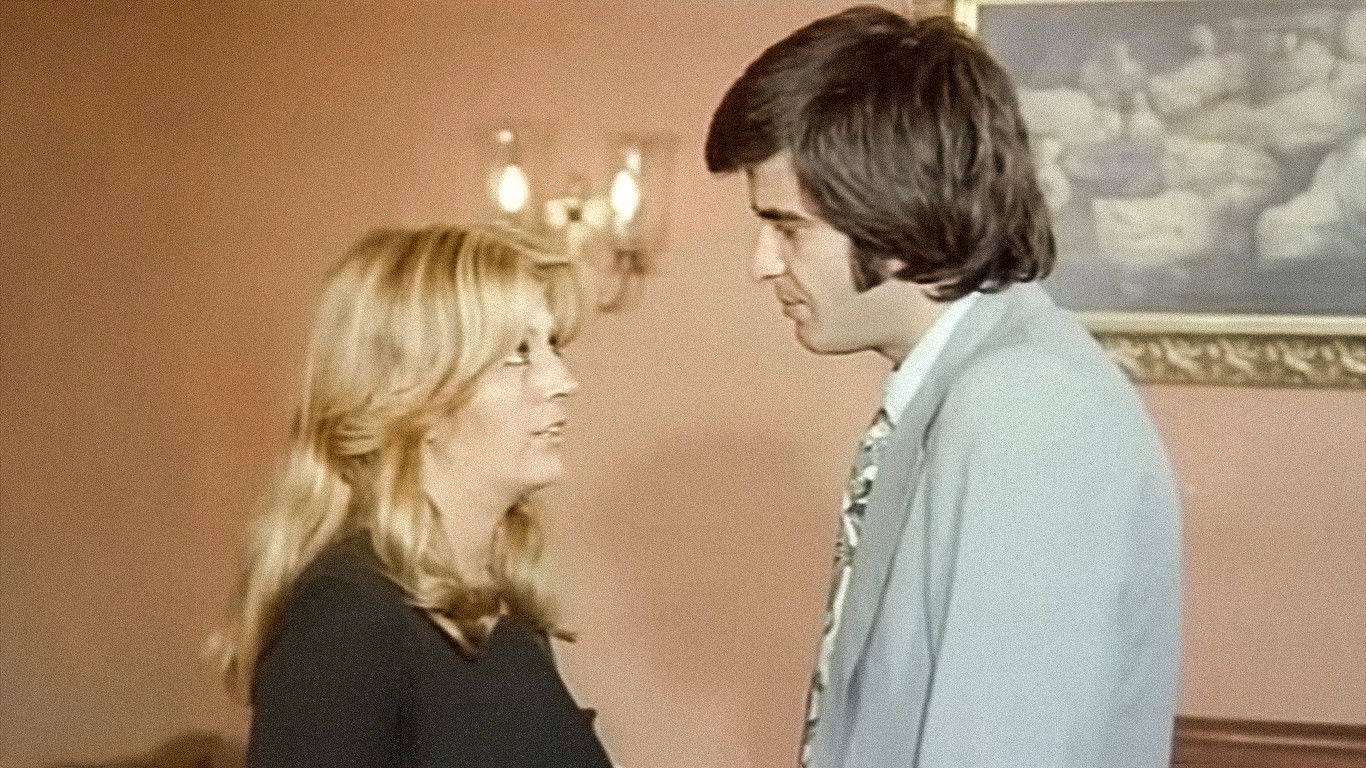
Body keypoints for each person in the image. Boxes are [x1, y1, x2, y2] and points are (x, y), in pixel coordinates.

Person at [705, 8, 1181, 767]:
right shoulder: (970, 388)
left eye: (788, 228)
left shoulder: (1026, 408)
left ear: (892, 216)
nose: (761, 264)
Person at [210, 223, 614, 768]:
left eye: (553, 345)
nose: (562, 380)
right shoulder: (346, 620)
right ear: (414, 398)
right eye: (519, 353)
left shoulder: (500, 614)